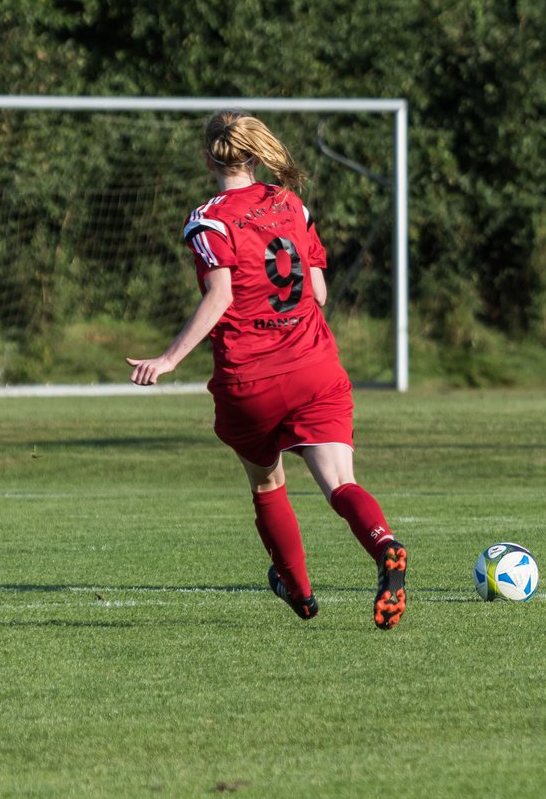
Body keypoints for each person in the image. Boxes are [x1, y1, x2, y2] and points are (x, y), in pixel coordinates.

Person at [127, 110, 408, 630]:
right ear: (255, 154)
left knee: (266, 483)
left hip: (250, 379)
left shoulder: (208, 219)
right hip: (314, 366)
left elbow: (221, 295)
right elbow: (319, 293)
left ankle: (298, 589)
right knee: (341, 483)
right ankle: (386, 545)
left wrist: (168, 360)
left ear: (208, 157)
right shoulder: (291, 204)